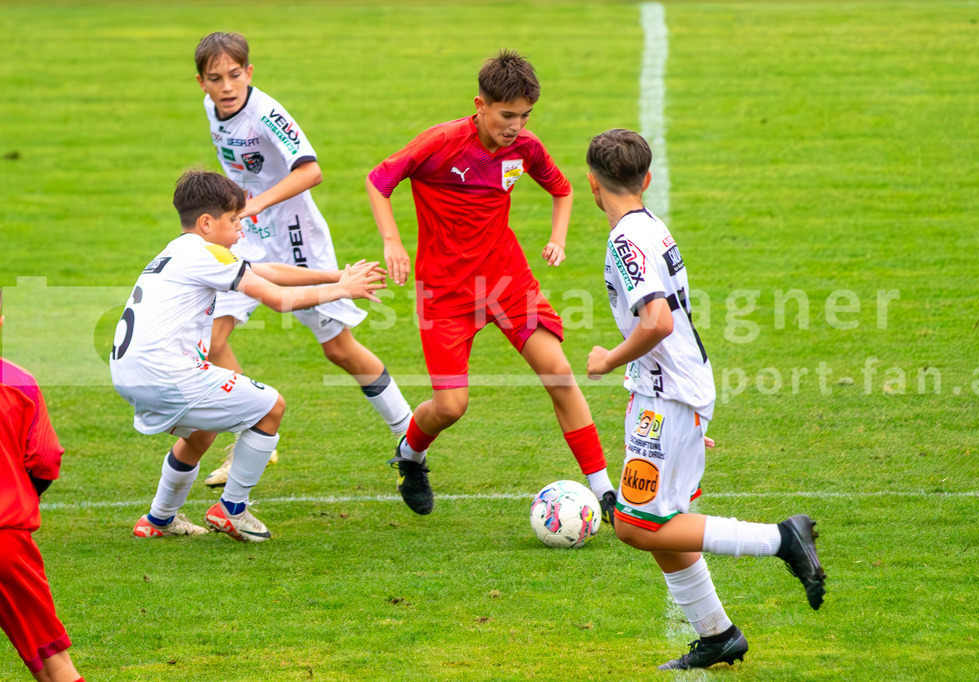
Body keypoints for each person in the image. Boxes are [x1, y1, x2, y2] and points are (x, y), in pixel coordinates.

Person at [583, 129, 827, 670]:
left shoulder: (625, 242)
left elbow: (659, 321)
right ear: (645, 180)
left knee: (635, 525)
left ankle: (782, 539)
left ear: (592, 185)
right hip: (674, 390)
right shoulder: (650, 226)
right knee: (663, 520)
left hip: (666, 394)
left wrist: (608, 359)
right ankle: (718, 636)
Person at [365, 49, 616, 520]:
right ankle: (410, 455)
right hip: (444, 293)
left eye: (524, 116)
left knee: (559, 374)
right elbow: (378, 181)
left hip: (506, 281)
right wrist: (393, 242)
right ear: (479, 105)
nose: (516, 125)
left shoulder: (526, 148)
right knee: (451, 406)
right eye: (507, 115)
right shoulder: (441, 143)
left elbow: (562, 190)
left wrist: (557, 238)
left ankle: (604, 491)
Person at [111, 170, 386, 542]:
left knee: (202, 431)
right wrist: (342, 290)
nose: (242, 227)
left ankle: (158, 520)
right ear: (207, 223)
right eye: (234, 219)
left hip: (130, 373)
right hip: (167, 373)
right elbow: (277, 298)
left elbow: (266, 270)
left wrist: (337, 275)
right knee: (271, 406)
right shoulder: (206, 254)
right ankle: (231, 509)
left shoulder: (181, 250)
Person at [194, 32, 413, 487]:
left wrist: (256, 203)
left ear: (249, 73)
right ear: (202, 83)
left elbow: (311, 170)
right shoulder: (211, 109)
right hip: (247, 238)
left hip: (297, 239)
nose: (227, 86)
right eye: (216, 79)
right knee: (212, 338)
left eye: (235, 75)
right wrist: (241, 213)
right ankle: (249, 432)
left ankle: (409, 436)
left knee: (339, 348)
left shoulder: (267, 113)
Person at [0, 294, 85, 681]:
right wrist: (19, 494)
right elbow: (45, 461)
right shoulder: (19, 383)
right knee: (53, 663)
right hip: (7, 542)